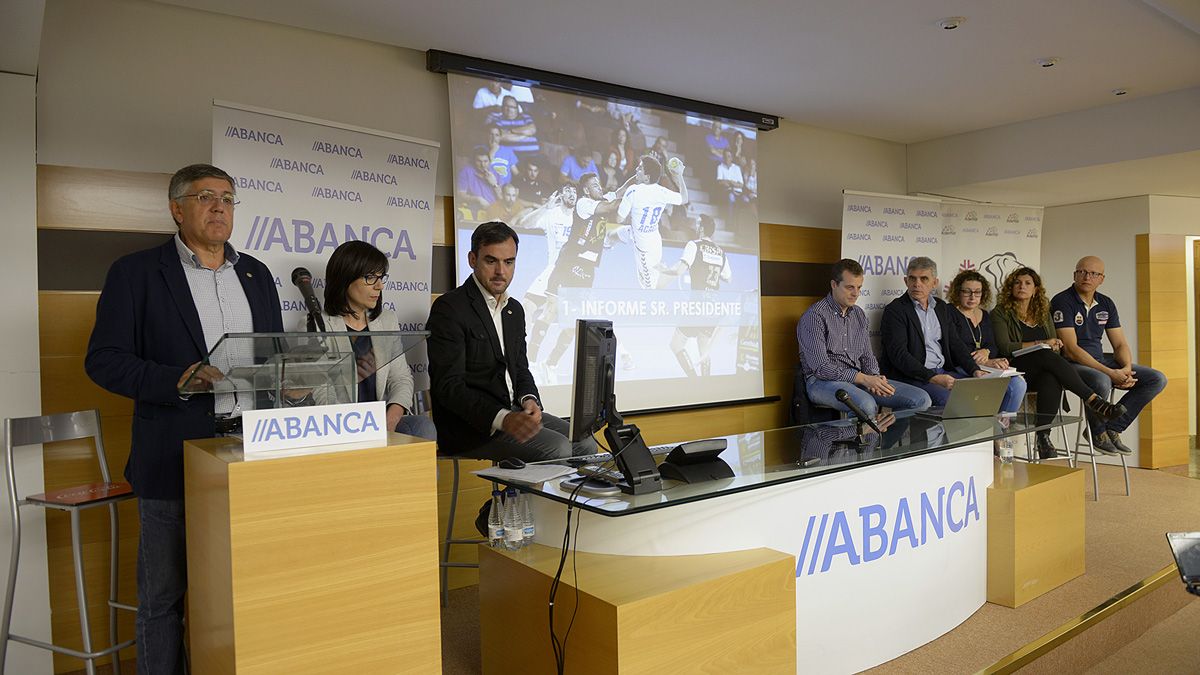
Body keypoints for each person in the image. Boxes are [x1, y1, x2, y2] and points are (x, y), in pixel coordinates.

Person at [85, 163, 284, 673]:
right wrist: (178, 379)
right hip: (174, 454)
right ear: (177, 209)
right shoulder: (135, 272)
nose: (219, 207)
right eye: (205, 197)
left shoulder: (256, 273)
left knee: (245, 591)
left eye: (228, 198)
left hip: (250, 453)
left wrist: (292, 378)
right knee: (162, 599)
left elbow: (275, 357)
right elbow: (103, 359)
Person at [427, 221, 596, 461]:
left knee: (585, 443)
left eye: (509, 262)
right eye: (491, 260)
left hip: (514, 412)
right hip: (472, 428)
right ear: (472, 260)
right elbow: (449, 387)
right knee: (557, 447)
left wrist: (530, 399)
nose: (501, 271)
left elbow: (520, 367)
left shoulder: (514, 310)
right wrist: (503, 418)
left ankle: (554, 500)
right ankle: (525, 500)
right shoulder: (449, 308)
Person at [302, 240, 437, 440]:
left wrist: (392, 416)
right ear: (345, 278)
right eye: (370, 277)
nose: (379, 285)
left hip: (381, 421)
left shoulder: (387, 320)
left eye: (381, 277)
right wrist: (352, 426)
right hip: (339, 424)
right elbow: (321, 392)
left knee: (421, 427)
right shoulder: (317, 324)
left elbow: (401, 378)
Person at [992, 266, 1127, 457]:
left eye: (1027, 283)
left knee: (1051, 377)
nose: (1022, 286)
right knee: (1044, 354)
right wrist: (1041, 343)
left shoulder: (1043, 312)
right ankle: (1093, 400)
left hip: (1042, 368)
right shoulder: (1000, 313)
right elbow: (1005, 347)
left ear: (1035, 289)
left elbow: (1054, 342)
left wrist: (1054, 344)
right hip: (1015, 368)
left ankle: (1043, 437)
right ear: (1010, 287)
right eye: (1017, 283)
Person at [1051, 256, 1167, 455]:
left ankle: (1112, 426)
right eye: (1082, 272)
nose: (1087, 276)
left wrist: (1126, 369)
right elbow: (1070, 349)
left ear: (1102, 279)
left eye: (1094, 273)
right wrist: (1111, 373)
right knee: (1102, 380)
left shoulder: (1106, 303)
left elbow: (1120, 343)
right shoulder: (1063, 300)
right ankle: (1097, 432)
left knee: (1156, 379)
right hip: (1072, 363)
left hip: (1099, 359)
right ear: (1075, 275)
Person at [798, 259, 931, 420]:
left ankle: (882, 440)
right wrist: (863, 378)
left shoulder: (859, 314)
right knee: (866, 405)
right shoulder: (814, 317)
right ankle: (858, 443)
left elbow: (867, 356)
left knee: (921, 400)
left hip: (859, 379)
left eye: (859, 287)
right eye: (850, 287)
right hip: (821, 383)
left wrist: (874, 376)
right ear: (834, 285)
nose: (856, 293)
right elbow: (821, 368)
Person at [880, 257, 991, 406]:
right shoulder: (896, 310)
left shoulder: (941, 307)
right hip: (912, 376)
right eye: (912, 278)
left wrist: (974, 370)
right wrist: (932, 377)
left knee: (982, 393)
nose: (917, 284)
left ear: (934, 283)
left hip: (942, 371)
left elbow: (955, 344)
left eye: (924, 279)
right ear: (906, 281)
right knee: (952, 400)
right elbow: (899, 355)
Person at [946, 269, 1027, 414]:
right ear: (958, 291)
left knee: (1018, 384)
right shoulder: (949, 312)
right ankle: (993, 430)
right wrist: (984, 362)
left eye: (977, 292)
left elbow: (992, 345)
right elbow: (955, 348)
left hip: (985, 367)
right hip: (961, 367)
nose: (972, 297)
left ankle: (1002, 430)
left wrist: (987, 351)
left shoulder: (985, 314)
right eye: (967, 292)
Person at [659, 215, 731, 377]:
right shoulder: (720, 251)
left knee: (676, 344)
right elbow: (728, 277)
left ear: (701, 228)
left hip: (697, 304)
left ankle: (693, 379)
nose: (694, 225)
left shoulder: (694, 245)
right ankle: (706, 385)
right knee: (704, 348)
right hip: (714, 304)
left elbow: (679, 271)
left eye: (697, 223)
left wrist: (662, 269)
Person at [612, 155, 689, 289]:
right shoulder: (662, 192)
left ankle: (674, 271)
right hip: (650, 238)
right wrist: (680, 176)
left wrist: (617, 202)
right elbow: (684, 198)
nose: (636, 169)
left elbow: (619, 219)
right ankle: (607, 242)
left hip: (644, 248)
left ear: (647, 177)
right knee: (613, 234)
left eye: (640, 168)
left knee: (650, 287)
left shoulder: (633, 191)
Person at [456, 145, 500, 212]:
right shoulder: (466, 172)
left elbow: (502, 198)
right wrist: (478, 199)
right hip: (475, 209)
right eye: (479, 161)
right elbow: (460, 195)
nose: (483, 165)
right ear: (474, 161)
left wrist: (494, 184)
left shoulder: (494, 173)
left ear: (489, 161)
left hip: (495, 210)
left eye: (485, 161)